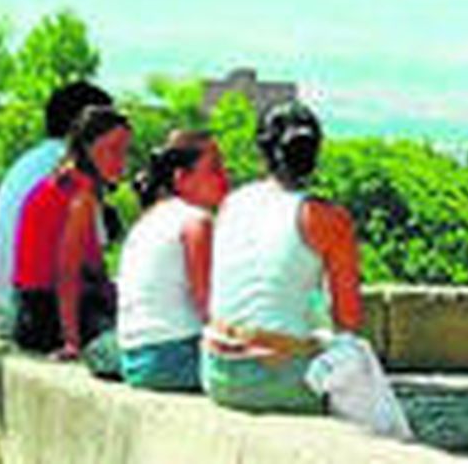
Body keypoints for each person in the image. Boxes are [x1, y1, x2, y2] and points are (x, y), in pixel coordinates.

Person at [203, 101, 363, 413]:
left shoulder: (233, 203)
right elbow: (349, 319)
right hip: (275, 378)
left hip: (216, 371)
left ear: (263, 151)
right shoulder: (326, 217)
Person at [0, 82, 113, 333]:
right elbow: (89, 265)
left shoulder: (30, 160)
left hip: (1, 310)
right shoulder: (74, 171)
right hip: (36, 317)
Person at [11, 105, 131, 360]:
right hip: (46, 317)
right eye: (112, 150)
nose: (121, 161)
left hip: (28, 311)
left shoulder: (65, 180)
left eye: (125, 151)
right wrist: (71, 342)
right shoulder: (80, 197)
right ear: (88, 148)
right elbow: (67, 273)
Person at [117, 130, 229, 390]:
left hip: (133, 360)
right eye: (214, 169)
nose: (225, 178)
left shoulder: (148, 220)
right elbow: (208, 306)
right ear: (181, 179)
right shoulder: (196, 222)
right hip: (173, 359)